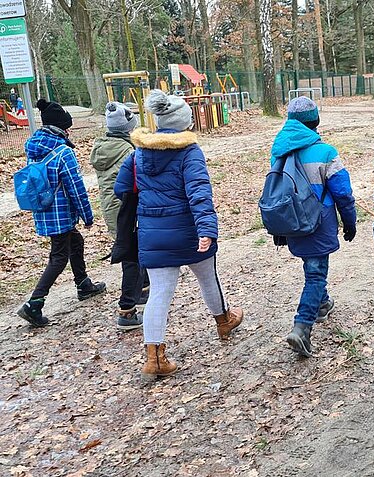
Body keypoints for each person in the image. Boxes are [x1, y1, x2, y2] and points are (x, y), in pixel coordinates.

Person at [114, 89, 243, 379]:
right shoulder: (189, 152)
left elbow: (121, 189)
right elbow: (199, 193)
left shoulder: (138, 153)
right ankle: (223, 321)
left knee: (159, 294)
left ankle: (155, 358)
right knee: (208, 278)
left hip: (153, 234)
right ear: (185, 122)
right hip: (189, 232)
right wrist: (207, 229)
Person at [268, 96, 357, 358]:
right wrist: (349, 221)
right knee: (316, 274)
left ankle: (322, 304)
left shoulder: (278, 151)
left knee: (312, 266)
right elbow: (343, 193)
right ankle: (302, 326)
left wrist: (279, 229)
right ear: (315, 121)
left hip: (292, 221)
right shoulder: (326, 152)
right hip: (318, 220)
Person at [17, 99, 107, 327]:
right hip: (61, 214)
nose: (69, 131)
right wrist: (87, 216)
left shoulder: (33, 148)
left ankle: (83, 284)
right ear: (61, 128)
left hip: (42, 210)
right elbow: (76, 187)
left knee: (75, 241)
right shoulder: (62, 152)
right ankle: (34, 304)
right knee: (58, 258)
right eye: (67, 127)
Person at [90, 101, 149, 331]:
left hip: (112, 209)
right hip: (127, 210)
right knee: (131, 257)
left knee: (134, 251)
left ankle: (143, 289)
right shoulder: (128, 151)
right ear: (128, 127)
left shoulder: (103, 147)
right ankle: (127, 310)